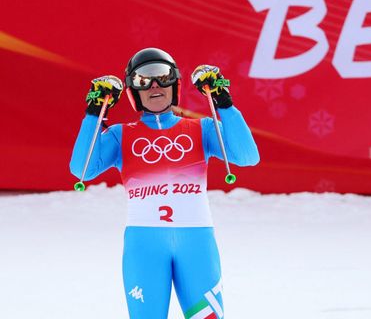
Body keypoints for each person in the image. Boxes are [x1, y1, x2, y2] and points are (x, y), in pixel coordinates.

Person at [69, 47, 259, 319]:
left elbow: (247, 157)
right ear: (133, 91)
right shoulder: (120, 136)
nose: (154, 85)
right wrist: (94, 113)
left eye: (162, 75)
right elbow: (81, 169)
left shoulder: (201, 129)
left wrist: (223, 103)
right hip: (144, 246)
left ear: (175, 84)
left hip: (197, 244)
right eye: (143, 79)